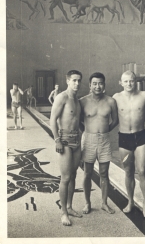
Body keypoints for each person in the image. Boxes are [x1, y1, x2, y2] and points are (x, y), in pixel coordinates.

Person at [113, 71, 145, 217]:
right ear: (120, 82)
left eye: (131, 81)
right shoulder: (116, 98)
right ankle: (130, 202)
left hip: (140, 136)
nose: (129, 84)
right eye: (126, 81)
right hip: (124, 138)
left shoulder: (144, 96)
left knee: (142, 171)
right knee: (128, 171)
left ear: (136, 81)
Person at [80, 72, 118, 215]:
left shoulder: (110, 101)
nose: (97, 86)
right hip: (88, 139)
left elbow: (115, 120)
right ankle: (87, 203)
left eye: (100, 83)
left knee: (104, 173)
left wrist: (105, 131)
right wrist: (86, 132)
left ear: (104, 85)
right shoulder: (83, 101)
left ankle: (104, 203)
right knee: (87, 173)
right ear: (90, 85)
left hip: (104, 140)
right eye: (94, 83)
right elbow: (78, 121)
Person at [50, 70, 83, 226]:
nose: (77, 83)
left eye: (79, 81)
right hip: (64, 140)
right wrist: (57, 140)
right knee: (66, 178)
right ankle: (63, 212)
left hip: (77, 140)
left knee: (74, 175)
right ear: (68, 81)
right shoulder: (61, 97)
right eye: (74, 80)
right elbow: (52, 120)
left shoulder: (77, 100)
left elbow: (78, 121)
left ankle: (69, 207)